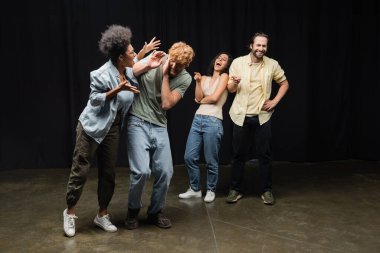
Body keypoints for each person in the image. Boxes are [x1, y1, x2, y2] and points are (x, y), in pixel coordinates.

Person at [63, 25, 143, 237]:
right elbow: (94, 99)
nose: (134, 54)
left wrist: (141, 55)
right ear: (119, 56)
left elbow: (137, 65)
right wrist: (118, 89)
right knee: (80, 170)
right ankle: (70, 212)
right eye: (132, 52)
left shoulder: (127, 71)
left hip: (112, 129)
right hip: (91, 127)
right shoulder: (101, 74)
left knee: (108, 173)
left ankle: (102, 214)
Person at [124, 42, 195, 229]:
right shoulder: (158, 58)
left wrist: (164, 75)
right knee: (141, 171)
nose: (172, 67)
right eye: (171, 62)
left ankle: (155, 212)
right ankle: (132, 211)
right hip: (137, 120)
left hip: (159, 126)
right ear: (169, 56)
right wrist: (149, 63)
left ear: (185, 66)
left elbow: (166, 104)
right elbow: (131, 71)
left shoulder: (185, 79)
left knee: (165, 171)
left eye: (178, 66)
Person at [226, 32, 289, 205]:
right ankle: (235, 189)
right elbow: (230, 89)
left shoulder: (272, 64)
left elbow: (284, 83)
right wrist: (235, 82)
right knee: (238, 155)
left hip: (263, 116)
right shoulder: (238, 63)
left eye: (264, 46)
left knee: (265, 155)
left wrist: (275, 101)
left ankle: (266, 190)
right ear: (251, 46)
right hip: (240, 115)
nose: (261, 48)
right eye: (258, 45)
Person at [178, 53, 232, 203]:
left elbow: (213, 98)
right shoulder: (205, 78)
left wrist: (201, 100)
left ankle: (211, 189)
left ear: (227, 65)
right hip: (197, 120)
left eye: (224, 59)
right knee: (189, 157)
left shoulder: (224, 77)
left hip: (213, 121)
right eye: (219, 58)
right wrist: (198, 82)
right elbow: (198, 96)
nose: (220, 60)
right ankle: (195, 189)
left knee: (210, 160)